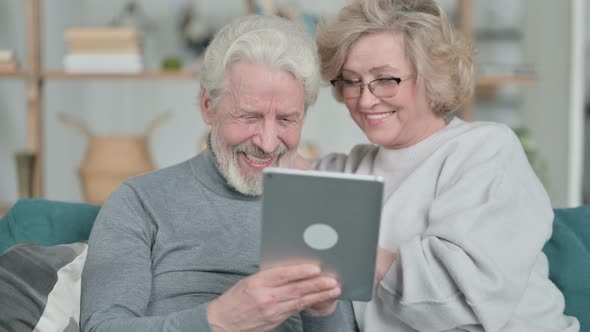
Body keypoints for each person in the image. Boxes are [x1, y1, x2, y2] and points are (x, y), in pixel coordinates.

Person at [312, 0, 581, 331]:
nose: (365, 99)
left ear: (431, 76)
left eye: (385, 79)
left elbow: (456, 302)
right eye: (351, 81)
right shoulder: (349, 168)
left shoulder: (486, 150)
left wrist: (345, 245)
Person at [80, 15, 356, 332]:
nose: (267, 144)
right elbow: (101, 327)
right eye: (249, 116)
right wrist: (217, 320)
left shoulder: (321, 205)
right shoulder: (139, 202)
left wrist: (322, 311)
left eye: (286, 120)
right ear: (208, 106)